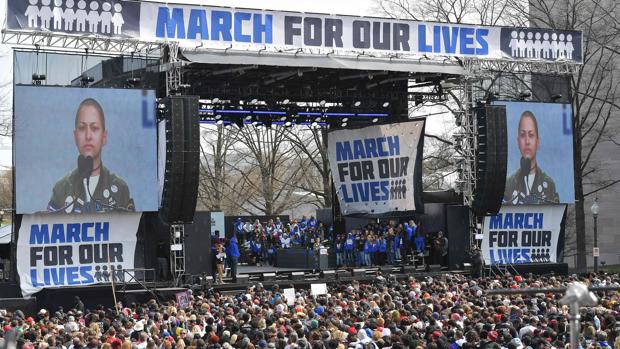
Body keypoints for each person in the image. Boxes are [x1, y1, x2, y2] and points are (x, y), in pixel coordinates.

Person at [48, 98, 134, 213]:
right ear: (75, 136)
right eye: (82, 128)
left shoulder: (120, 189)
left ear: (104, 137)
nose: (88, 136)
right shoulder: (61, 189)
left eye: (94, 128)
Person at [503, 110, 559, 204]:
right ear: (518, 141)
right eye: (522, 135)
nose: (527, 141)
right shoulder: (509, 183)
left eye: (531, 135)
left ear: (538, 142)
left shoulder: (549, 184)